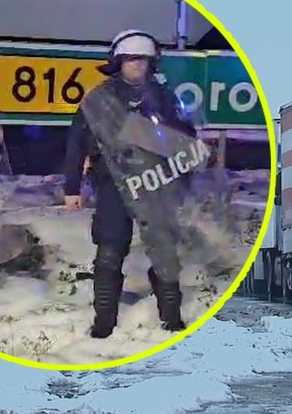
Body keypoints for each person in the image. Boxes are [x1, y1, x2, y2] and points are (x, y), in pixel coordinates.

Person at [63, 29, 200, 338]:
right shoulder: (98, 99)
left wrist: (182, 180)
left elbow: (187, 141)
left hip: (156, 184)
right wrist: (72, 188)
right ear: (118, 62)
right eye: (131, 60)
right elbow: (76, 143)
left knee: (164, 251)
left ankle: (172, 319)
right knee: (109, 252)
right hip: (113, 184)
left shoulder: (164, 99)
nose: (137, 66)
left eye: (143, 60)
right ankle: (104, 323)